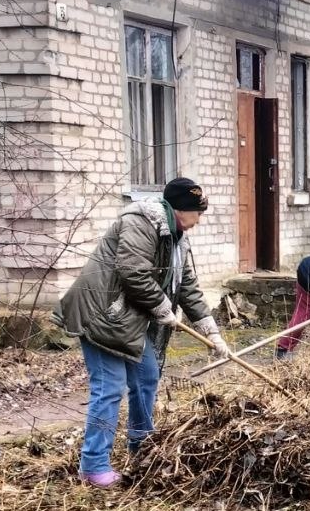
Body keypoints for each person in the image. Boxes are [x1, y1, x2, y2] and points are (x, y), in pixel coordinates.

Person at [57, 176, 230, 488]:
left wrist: (210, 330)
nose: (200, 220)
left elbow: (187, 286)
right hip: (103, 315)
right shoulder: (142, 223)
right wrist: (162, 307)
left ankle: (141, 444)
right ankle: (93, 465)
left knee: (147, 375)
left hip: (130, 321)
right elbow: (132, 272)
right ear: (180, 210)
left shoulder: (177, 238)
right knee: (109, 388)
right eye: (197, 213)